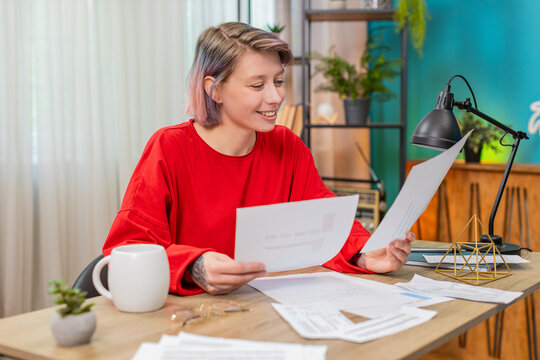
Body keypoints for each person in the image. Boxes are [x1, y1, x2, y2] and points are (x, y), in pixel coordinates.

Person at [103, 22, 414, 296]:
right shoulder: (169, 148)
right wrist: (194, 265)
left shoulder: (286, 146)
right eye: (257, 85)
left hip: (269, 313)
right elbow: (126, 250)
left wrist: (364, 255)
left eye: (278, 81)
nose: (276, 97)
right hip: (190, 320)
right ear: (215, 90)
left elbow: (325, 223)